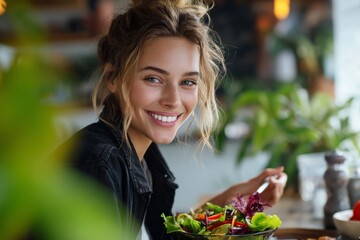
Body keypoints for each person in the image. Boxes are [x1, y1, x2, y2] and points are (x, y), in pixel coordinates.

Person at [58, 0, 287, 239]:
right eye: (154, 79)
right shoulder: (98, 165)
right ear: (113, 77)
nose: (173, 100)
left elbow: (162, 236)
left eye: (187, 82)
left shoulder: (141, 155)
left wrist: (230, 200)